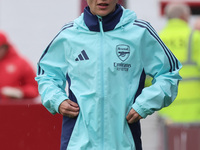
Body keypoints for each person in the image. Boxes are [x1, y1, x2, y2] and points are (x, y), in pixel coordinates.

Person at [36, 0, 182, 150]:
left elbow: (170, 73)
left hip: (124, 143)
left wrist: (144, 104)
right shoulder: (69, 34)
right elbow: (46, 73)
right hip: (77, 144)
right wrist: (57, 100)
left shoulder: (140, 32)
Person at [158, 2, 200, 122]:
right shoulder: (195, 37)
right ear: (184, 16)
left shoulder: (158, 39)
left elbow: (148, 79)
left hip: (166, 111)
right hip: (194, 110)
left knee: (171, 140)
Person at [0, 31, 39, 100]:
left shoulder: (21, 64)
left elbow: (35, 88)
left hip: (14, 108)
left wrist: (21, 92)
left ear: (5, 47)